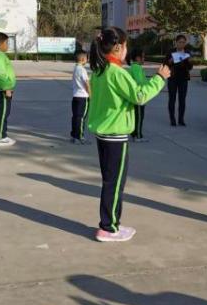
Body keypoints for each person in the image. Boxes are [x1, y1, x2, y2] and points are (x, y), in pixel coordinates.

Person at [88, 27, 171, 242]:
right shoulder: (116, 72)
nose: (127, 50)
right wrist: (160, 79)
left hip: (103, 133)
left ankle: (110, 223)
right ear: (118, 47)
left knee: (110, 181)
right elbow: (139, 96)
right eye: (125, 46)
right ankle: (109, 227)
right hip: (115, 134)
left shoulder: (100, 69)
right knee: (115, 183)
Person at [0, 32, 17, 147]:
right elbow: (1, 74)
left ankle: (3, 135)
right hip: (2, 89)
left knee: (4, 113)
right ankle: (0, 137)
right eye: (6, 43)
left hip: (0, 88)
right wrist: (6, 88)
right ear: (0, 44)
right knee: (3, 113)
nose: (7, 46)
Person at [165, 35, 193, 126]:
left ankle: (181, 119)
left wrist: (189, 61)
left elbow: (190, 67)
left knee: (182, 100)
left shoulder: (187, 52)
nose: (181, 44)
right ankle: (172, 119)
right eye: (180, 42)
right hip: (172, 78)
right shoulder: (170, 52)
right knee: (172, 99)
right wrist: (171, 61)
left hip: (183, 78)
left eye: (183, 42)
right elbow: (165, 64)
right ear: (176, 42)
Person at [128, 49, 148, 142]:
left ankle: (134, 133)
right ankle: (138, 135)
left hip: (135, 95)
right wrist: (149, 86)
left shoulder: (134, 67)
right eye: (143, 57)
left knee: (136, 115)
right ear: (137, 58)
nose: (144, 59)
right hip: (139, 95)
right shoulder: (137, 67)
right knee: (139, 116)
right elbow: (139, 81)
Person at [71, 50, 90, 145]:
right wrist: (90, 94)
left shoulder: (75, 68)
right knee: (81, 118)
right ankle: (80, 136)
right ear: (83, 59)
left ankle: (74, 136)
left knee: (75, 117)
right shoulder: (82, 70)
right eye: (86, 58)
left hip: (75, 96)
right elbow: (87, 83)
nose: (87, 60)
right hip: (83, 97)